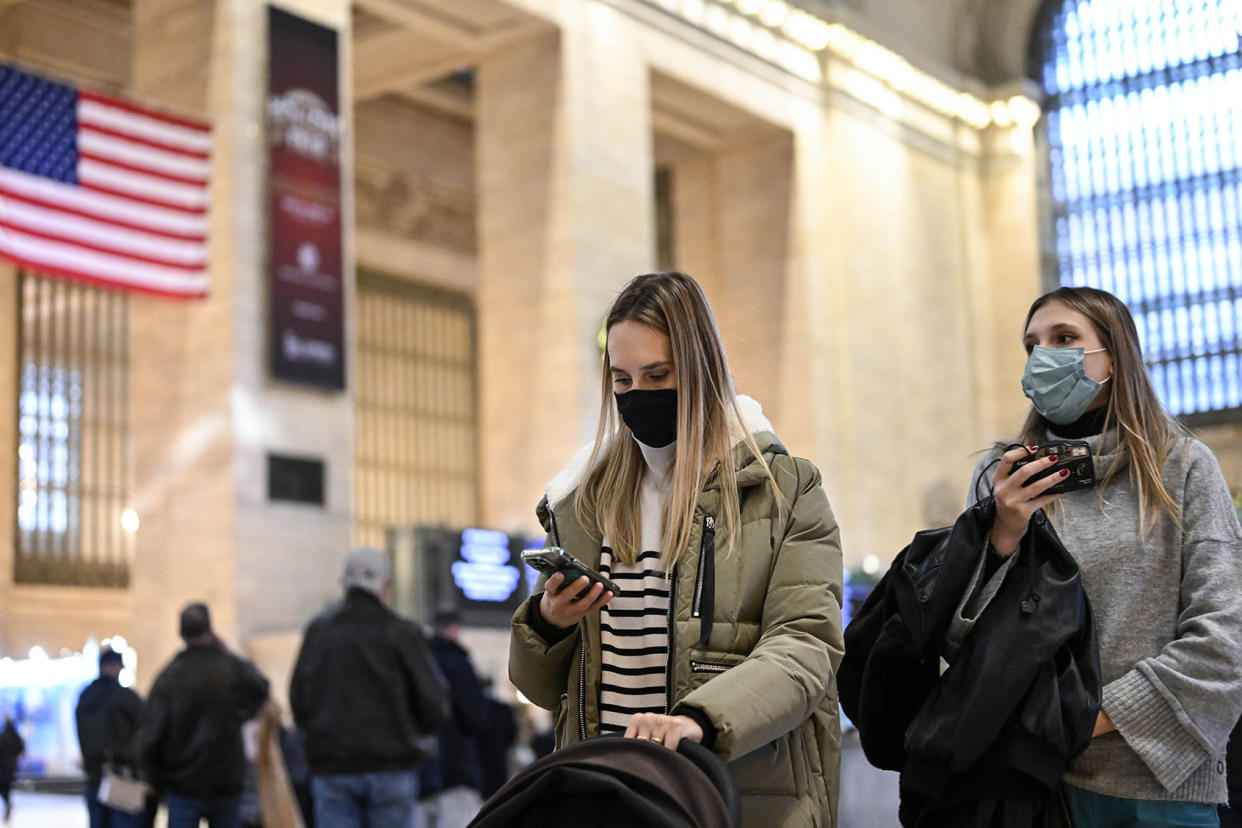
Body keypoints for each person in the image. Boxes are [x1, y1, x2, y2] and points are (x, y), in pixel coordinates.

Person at [508, 271, 845, 826]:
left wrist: (700, 720)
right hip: (605, 799)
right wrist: (548, 621)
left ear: (700, 368)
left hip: (733, 796)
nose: (637, 395)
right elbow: (540, 689)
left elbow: (806, 647)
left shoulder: (782, 490)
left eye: (657, 374)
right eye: (621, 380)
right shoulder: (583, 502)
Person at [964, 286, 1242, 826]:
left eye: (1064, 338)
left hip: (1160, 786)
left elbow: (1224, 638)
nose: (1043, 356)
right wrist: (1002, 535)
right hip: (1026, 784)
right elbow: (962, 637)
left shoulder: (1182, 467)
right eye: (1032, 345)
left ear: (1114, 356)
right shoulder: (1002, 479)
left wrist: (1082, 718)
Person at [290, 547, 450, 828]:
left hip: (332, 767)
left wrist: (316, 739)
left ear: (343, 582)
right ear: (386, 585)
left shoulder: (318, 631)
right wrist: (417, 735)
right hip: (392, 767)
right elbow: (433, 699)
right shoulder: (402, 631)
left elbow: (298, 698)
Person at [139, 602, 271, 828]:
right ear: (210, 629)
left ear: (181, 632)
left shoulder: (170, 676)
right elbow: (261, 689)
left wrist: (158, 783)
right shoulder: (229, 667)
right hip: (225, 784)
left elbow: (151, 735)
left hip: (183, 787)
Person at [419, 607, 488, 828]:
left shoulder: (419, 661)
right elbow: (474, 717)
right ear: (455, 628)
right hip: (456, 766)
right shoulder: (458, 663)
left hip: (419, 770)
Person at [76, 647, 144, 828]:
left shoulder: (85, 697)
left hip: (94, 776)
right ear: (115, 666)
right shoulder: (125, 697)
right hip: (122, 777)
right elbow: (144, 730)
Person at [0, 715, 23, 824]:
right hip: (12, 766)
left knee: (3, 788)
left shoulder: (4, 736)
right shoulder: (16, 736)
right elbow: (21, 748)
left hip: (3, 767)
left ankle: (7, 804)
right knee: (7, 788)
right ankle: (8, 804)